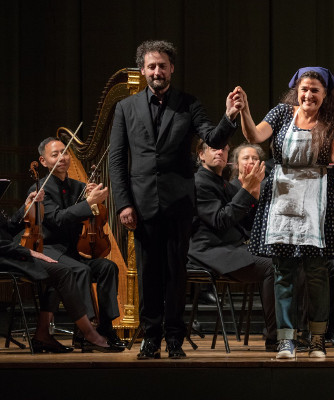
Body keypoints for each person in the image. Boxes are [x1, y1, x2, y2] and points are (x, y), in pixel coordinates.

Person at [109, 40, 243, 359]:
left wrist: (229, 116)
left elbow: (212, 138)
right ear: (143, 70)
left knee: (175, 273)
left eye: (163, 66)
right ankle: (151, 336)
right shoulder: (126, 108)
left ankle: (173, 337)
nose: (157, 71)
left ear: (172, 69)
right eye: (151, 66)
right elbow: (116, 160)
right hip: (141, 205)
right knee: (148, 272)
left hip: (179, 203)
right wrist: (124, 203)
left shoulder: (189, 103)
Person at [237, 66, 334, 359]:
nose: (308, 95)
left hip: (317, 195)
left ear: (325, 94)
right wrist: (244, 110)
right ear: (296, 91)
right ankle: (286, 340)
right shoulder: (280, 113)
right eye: (304, 89)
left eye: (315, 90)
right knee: (283, 271)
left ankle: (317, 339)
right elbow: (254, 135)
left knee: (317, 272)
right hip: (282, 195)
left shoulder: (332, 121)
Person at [1, 190, 122, 353]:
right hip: (8, 258)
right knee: (62, 271)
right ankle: (89, 333)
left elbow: (8, 229)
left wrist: (25, 206)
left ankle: (43, 335)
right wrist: (28, 252)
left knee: (60, 270)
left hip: (13, 253)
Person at [33, 137, 125, 350]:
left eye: (64, 153)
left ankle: (106, 327)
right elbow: (56, 219)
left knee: (107, 267)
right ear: (43, 161)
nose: (62, 158)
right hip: (49, 250)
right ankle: (86, 331)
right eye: (54, 154)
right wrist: (87, 203)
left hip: (72, 253)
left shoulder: (79, 187)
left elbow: (92, 217)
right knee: (81, 270)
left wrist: (95, 203)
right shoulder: (40, 190)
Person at [187, 140, 278, 351]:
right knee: (272, 267)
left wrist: (253, 193)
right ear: (201, 154)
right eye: (213, 148)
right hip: (208, 250)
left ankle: (290, 331)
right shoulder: (199, 183)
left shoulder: (223, 183)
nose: (220, 151)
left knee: (284, 260)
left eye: (224, 148)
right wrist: (247, 189)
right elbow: (220, 221)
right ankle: (275, 337)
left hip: (229, 247)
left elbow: (244, 224)